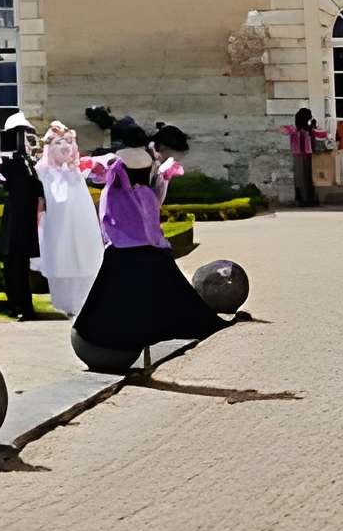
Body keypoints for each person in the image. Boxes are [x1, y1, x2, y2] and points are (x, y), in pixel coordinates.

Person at [72, 116, 234, 372]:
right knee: (162, 281)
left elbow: (92, 171)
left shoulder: (115, 160)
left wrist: (86, 162)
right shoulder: (148, 160)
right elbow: (157, 195)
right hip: (144, 213)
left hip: (122, 220)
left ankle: (105, 331)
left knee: (115, 284)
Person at [35, 122, 102, 320]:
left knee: (83, 256)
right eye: (58, 142)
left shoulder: (76, 171)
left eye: (68, 142)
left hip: (80, 223)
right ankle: (64, 303)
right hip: (56, 225)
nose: (64, 146)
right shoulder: (43, 171)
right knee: (60, 257)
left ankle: (84, 300)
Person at [0, 112, 46, 317]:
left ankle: (23, 306)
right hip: (15, 217)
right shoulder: (8, 162)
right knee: (13, 264)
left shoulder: (30, 164)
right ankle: (17, 304)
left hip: (24, 219)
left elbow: (39, 191)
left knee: (20, 265)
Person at [281, 105, 329, 209]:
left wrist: (313, 127)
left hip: (307, 154)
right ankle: (302, 199)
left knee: (308, 177)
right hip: (299, 154)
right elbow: (284, 130)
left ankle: (308, 198)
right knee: (301, 178)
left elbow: (322, 135)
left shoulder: (309, 130)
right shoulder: (294, 130)